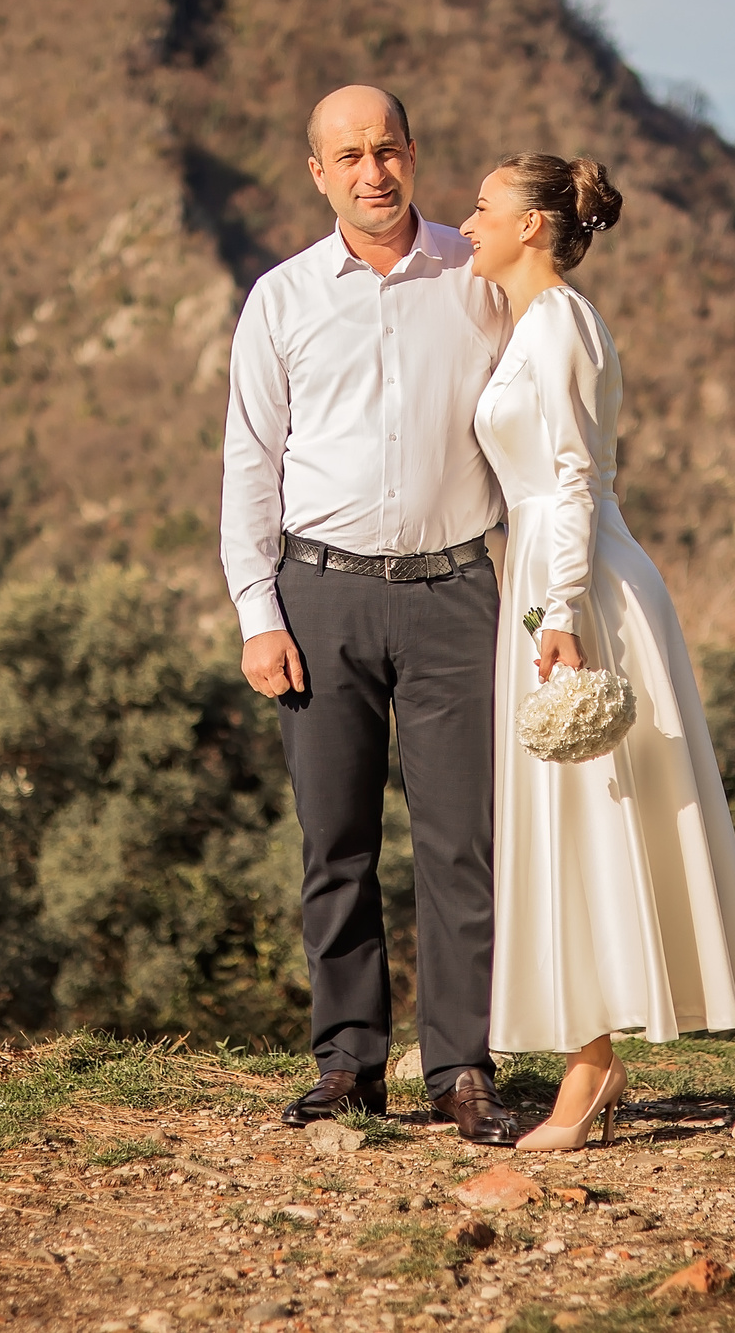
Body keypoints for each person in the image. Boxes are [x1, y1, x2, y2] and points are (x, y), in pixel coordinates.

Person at [458, 153, 735, 1151]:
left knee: (643, 822)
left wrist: (562, 612)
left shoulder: (562, 323)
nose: (467, 222)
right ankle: (602, 1061)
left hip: (584, 588)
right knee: (575, 828)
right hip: (543, 580)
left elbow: (576, 476)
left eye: (484, 207)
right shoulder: (525, 325)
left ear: (532, 226)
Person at [220, 84, 521, 1145]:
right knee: (335, 841)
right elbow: (249, 464)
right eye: (347, 156)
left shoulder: (478, 278)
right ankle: (347, 1063)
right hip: (320, 596)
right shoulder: (281, 298)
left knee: (461, 844)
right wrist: (257, 611)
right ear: (319, 173)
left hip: (456, 595)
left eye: (385, 149)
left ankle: (461, 1068)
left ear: (412, 153)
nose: (371, 172)